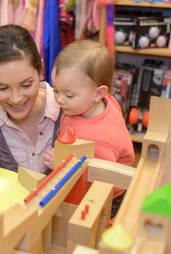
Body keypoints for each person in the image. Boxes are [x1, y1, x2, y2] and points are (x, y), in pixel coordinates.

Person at [51, 39, 135, 218]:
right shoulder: (95, 102)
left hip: (105, 194)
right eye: (56, 90)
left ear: (99, 93)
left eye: (69, 94)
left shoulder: (100, 140)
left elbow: (98, 178)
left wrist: (61, 165)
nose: (59, 99)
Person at [0, 24, 61, 175]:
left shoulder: (68, 109)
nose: (16, 99)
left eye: (26, 85)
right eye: (2, 88)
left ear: (40, 71)